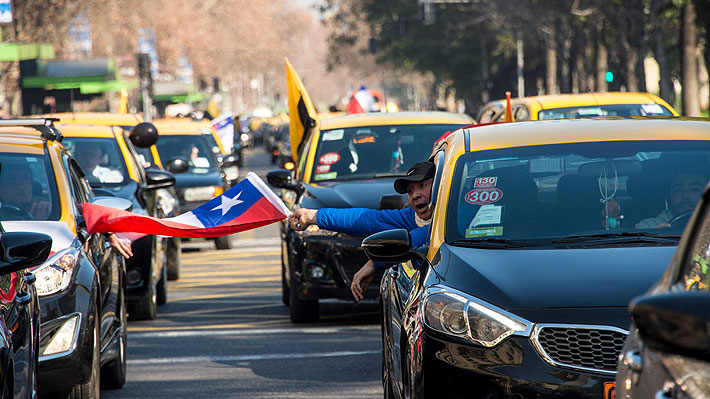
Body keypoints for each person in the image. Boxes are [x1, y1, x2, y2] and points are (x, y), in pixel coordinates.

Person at [289, 161, 435, 301]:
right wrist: (311, 216)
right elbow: (365, 219)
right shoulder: (411, 216)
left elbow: (421, 237)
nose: (415, 195)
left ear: (440, 185)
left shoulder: (453, 216)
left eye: (422, 186)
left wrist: (375, 263)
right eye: (410, 191)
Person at [0, 160, 133, 259]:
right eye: (12, 181)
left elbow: (88, 212)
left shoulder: (50, 209)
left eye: (26, 181)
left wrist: (110, 232)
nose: (22, 186)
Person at [635, 169, 708, 229]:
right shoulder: (648, 227)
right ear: (670, 195)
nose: (685, 196)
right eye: (678, 190)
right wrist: (656, 237)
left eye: (695, 189)